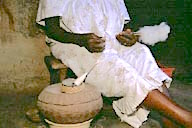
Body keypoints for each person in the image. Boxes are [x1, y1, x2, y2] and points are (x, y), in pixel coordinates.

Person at [36, 0, 192, 127]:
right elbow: (53, 30)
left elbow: (121, 27)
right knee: (120, 71)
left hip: (110, 42)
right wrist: (82, 40)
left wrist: (128, 36)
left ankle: (170, 119)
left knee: (141, 53)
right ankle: (184, 118)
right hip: (73, 44)